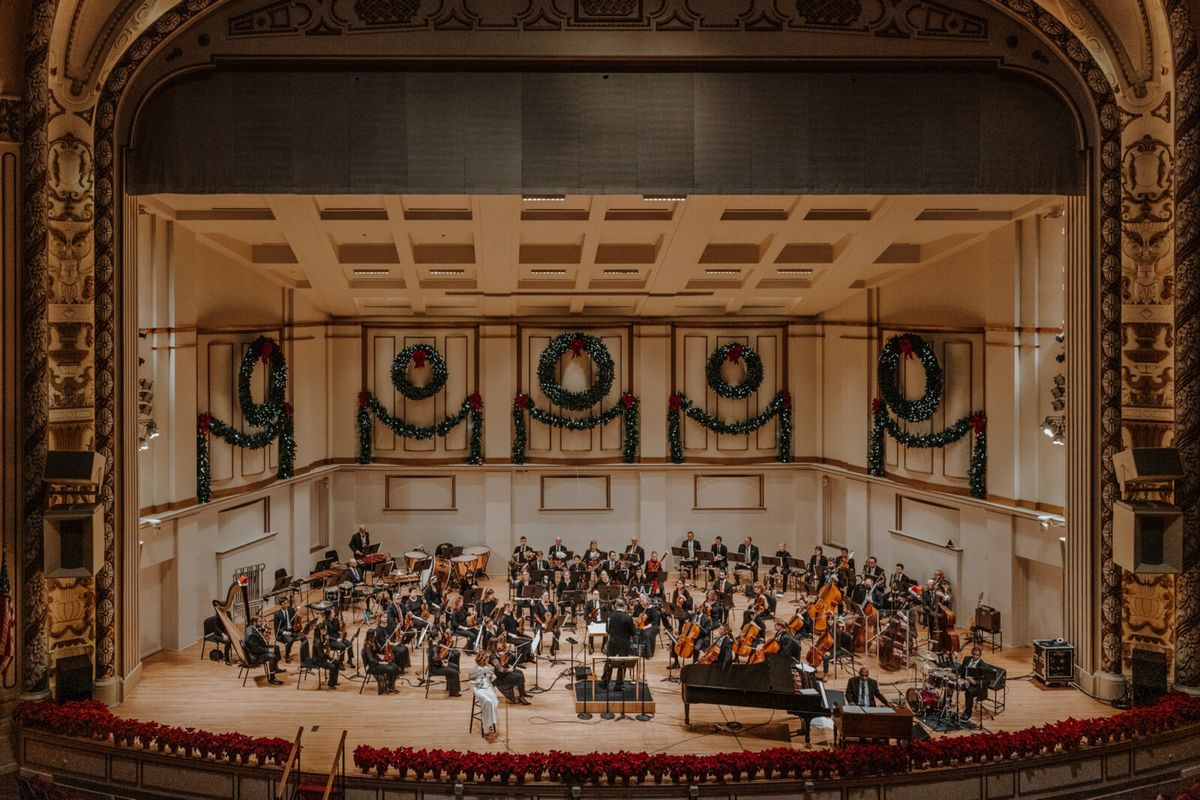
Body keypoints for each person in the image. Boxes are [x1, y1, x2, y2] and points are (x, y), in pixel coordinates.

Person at [601, 598, 637, 691]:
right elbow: (633, 633)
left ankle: (605, 683)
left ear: (615, 606)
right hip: (624, 644)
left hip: (612, 642)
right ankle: (618, 685)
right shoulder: (628, 617)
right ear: (624, 606)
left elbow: (607, 630)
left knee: (609, 662)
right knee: (622, 664)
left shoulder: (610, 616)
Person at [244, 615, 283, 684]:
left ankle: (275, 668)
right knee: (272, 656)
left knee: (276, 648)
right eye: (259, 622)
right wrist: (269, 650)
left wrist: (264, 630)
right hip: (255, 656)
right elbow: (257, 649)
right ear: (254, 622)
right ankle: (272, 678)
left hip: (257, 650)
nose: (261, 623)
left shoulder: (251, 628)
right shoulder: (251, 635)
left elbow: (258, 634)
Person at [469, 652, 500, 740]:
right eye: (486, 659)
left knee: (490, 703)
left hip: (488, 688)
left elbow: (493, 678)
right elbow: (471, 681)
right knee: (488, 702)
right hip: (479, 689)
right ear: (482, 660)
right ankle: (487, 727)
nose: (488, 661)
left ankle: (488, 726)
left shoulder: (490, 667)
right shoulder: (474, 669)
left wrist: (490, 676)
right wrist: (479, 675)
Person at [958, 645, 991, 721]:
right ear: (971, 653)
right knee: (951, 682)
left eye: (977, 655)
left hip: (976, 686)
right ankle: (946, 704)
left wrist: (974, 681)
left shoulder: (983, 666)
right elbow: (960, 669)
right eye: (974, 654)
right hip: (965, 681)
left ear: (980, 655)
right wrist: (951, 670)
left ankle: (967, 713)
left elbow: (986, 681)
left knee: (969, 692)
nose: (975, 656)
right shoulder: (967, 659)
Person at [362, 628, 399, 694]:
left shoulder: (374, 641)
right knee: (390, 669)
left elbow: (380, 651)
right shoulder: (367, 646)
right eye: (375, 633)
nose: (376, 634)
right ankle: (389, 687)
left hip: (377, 662)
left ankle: (391, 685)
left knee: (395, 667)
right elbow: (371, 660)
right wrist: (382, 662)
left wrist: (387, 645)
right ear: (372, 635)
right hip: (373, 666)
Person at [428, 627, 462, 696]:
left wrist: (442, 661)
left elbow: (437, 659)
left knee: (455, 667)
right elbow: (436, 661)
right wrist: (443, 663)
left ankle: (450, 688)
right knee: (454, 672)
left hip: (437, 665)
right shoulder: (434, 647)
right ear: (436, 637)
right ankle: (454, 692)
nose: (441, 635)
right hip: (435, 668)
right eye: (439, 634)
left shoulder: (435, 644)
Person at [309, 622, 342, 689]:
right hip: (318, 660)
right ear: (320, 630)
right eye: (324, 630)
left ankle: (334, 681)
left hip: (323, 657)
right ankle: (331, 684)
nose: (326, 631)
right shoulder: (317, 641)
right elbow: (320, 655)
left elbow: (325, 649)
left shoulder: (322, 637)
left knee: (337, 663)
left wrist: (328, 655)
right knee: (332, 666)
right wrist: (328, 659)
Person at [272, 596, 300, 663]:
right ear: (281, 604)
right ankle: (287, 656)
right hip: (282, 633)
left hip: (291, 630)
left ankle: (305, 656)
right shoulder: (277, 614)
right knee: (290, 640)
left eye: (287, 603)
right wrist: (285, 633)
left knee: (303, 636)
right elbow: (277, 628)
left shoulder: (291, 610)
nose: (287, 605)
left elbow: (295, 620)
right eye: (285, 603)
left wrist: (298, 617)